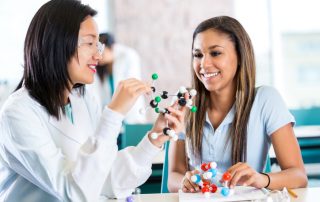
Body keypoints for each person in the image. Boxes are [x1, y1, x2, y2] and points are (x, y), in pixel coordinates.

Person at [0, 0, 185, 201]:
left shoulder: (83, 99)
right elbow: (74, 193)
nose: (98, 55)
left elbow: (105, 179)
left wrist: (155, 138)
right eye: (89, 43)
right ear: (58, 44)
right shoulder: (17, 113)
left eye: (98, 44)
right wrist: (114, 114)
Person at [167, 16, 308, 193]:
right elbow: (173, 177)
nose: (204, 64)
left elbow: (299, 177)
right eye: (198, 55)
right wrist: (184, 182)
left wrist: (261, 179)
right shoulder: (185, 102)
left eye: (215, 53)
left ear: (240, 56)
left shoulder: (266, 99)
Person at [88, 32, 145, 123]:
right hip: (110, 113)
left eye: (100, 51)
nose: (98, 57)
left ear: (110, 47)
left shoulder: (128, 56)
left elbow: (131, 86)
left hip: (129, 112)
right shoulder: (100, 68)